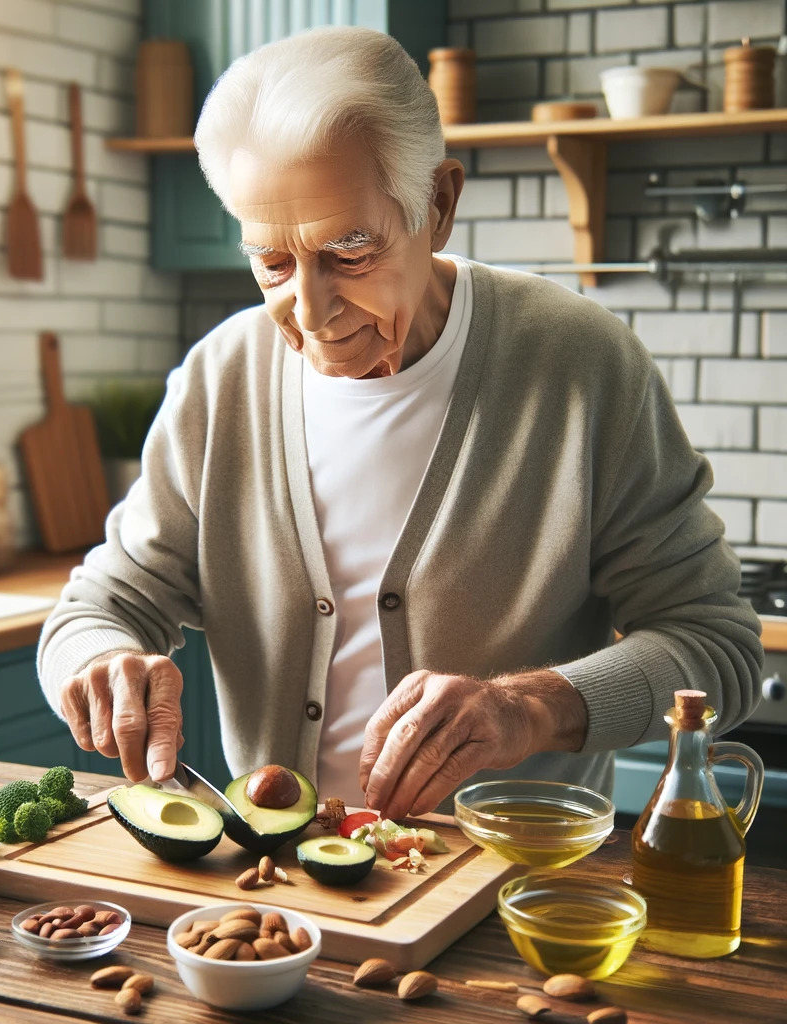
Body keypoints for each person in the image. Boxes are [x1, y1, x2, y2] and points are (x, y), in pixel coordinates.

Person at [37, 26, 762, 821]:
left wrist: (528, 708)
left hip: (507, 891)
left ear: (439, 204)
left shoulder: (581, 364)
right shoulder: (221, 378)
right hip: (282, 899)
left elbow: (718, 645)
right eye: (271, 262)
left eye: (349, 250)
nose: (309, 312)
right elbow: (95, 607)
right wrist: (104, 661)